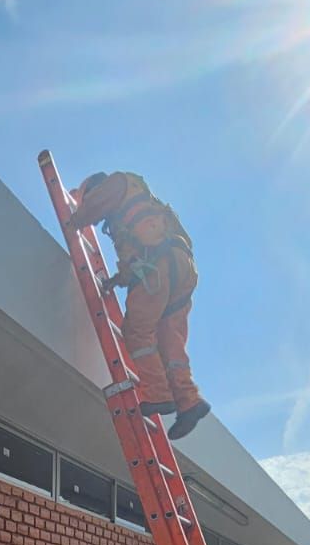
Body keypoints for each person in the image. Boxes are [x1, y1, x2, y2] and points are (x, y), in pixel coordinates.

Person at [63, 171, 211, 440]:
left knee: (135, 331)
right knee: (170, 340)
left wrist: (73, 221)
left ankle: (158, 395)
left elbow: (94, 207)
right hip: (181, 266)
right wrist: (118, 279)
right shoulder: (140, 201)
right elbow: (137, 248)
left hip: (156, 267)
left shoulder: (115, 184)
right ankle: (189, 402)